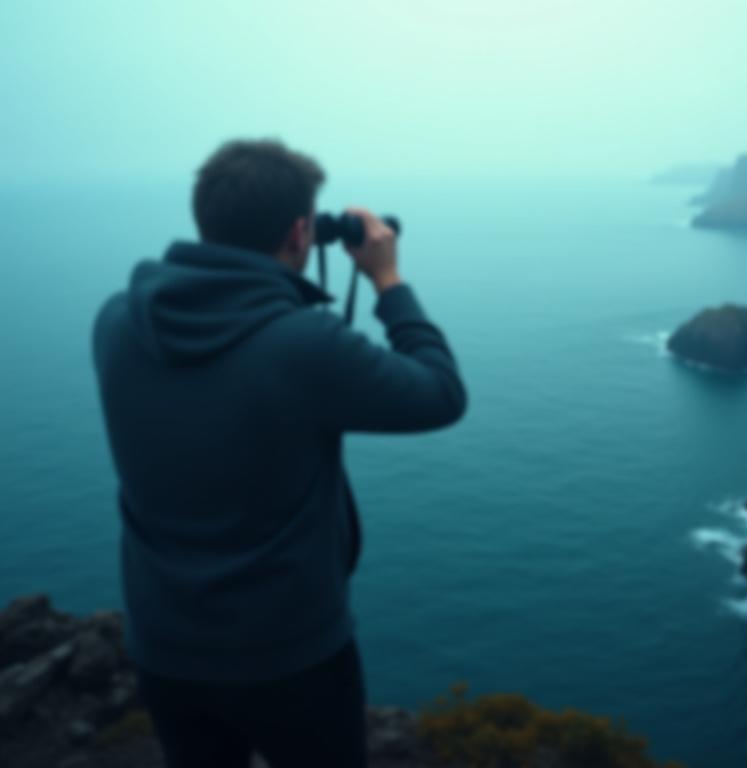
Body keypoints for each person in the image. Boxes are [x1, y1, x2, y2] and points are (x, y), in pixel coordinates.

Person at [91, 139, 468, 767]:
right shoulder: (301, 346)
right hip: (291, 657)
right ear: (300, 232)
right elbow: (441, 393)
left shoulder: (117, 320)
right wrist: (388, 279)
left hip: (163, 648)